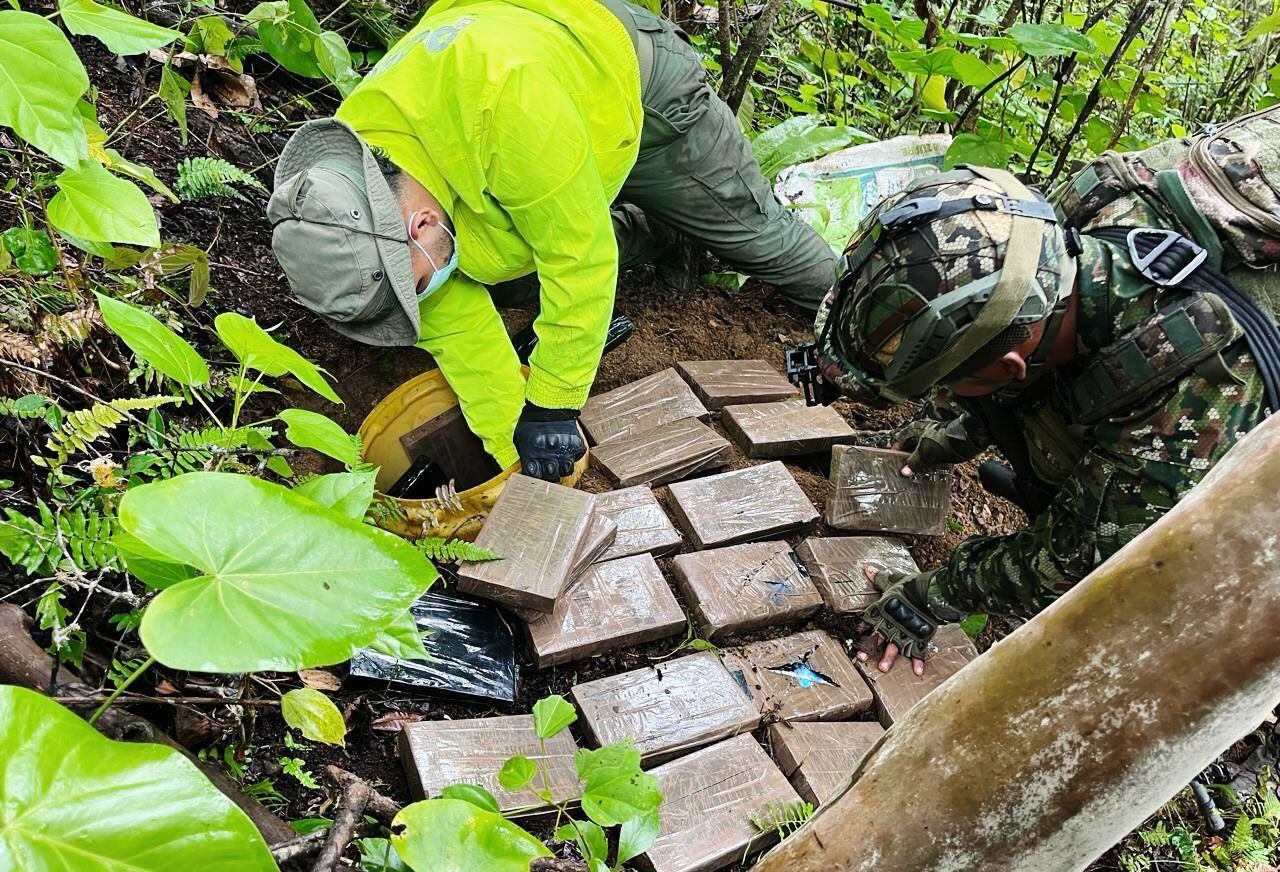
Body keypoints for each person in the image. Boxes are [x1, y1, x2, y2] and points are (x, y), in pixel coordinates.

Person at [267, 0, 835, 480]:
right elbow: (462, 333)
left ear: (419, 226)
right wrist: (514, 461)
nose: (422, 295)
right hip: (541, 146)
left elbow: (580, 258)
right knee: (520, 266)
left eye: (415, 284)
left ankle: (870, 322)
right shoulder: (353, 190)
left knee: (754, 237)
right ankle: (659, 229)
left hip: (625, 76)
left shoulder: (504, 105)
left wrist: (554, 401)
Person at [803, 115, 1280, 677]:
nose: (942, 397)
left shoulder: (1190, 389)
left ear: (1010, 365)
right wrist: (957, 434)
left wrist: (930, 597)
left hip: (1239, 422)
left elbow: (1073, 561)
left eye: (943, 385)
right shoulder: (1057, 224)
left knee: (1148, 597)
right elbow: (1018, 357)